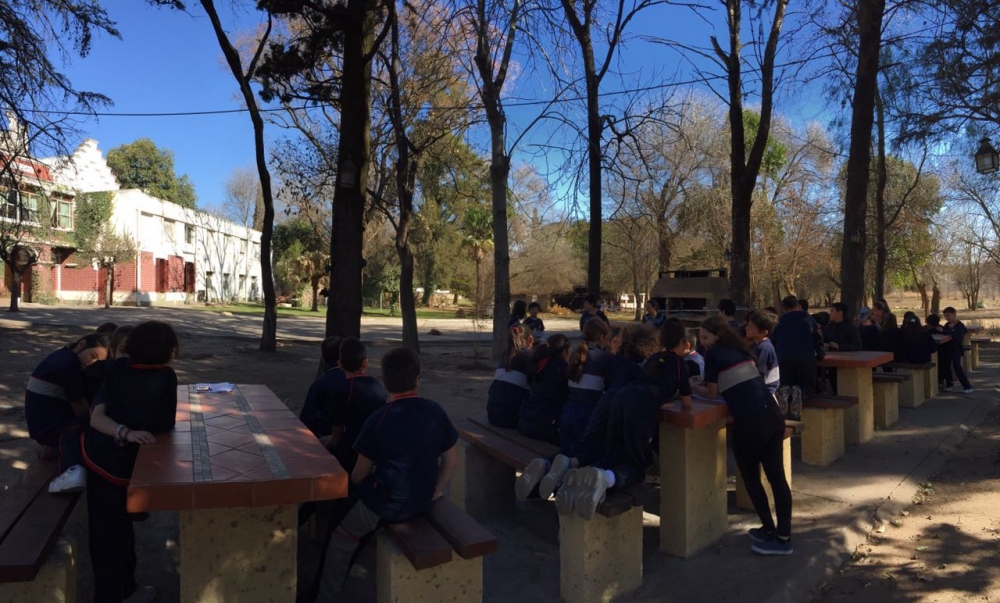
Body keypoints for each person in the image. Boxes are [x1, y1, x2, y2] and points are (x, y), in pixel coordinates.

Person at [315, 348, 459, 601]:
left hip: (385, 504)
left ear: (384, 380)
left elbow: (359, 474)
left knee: (340, 536)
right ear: (417, 379)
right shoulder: (435, 410)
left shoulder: (379, 419)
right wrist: (436, 490)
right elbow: (451, 459)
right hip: (422, 499)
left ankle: (326, 595)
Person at [552, 321, 692, 520]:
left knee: (613, 452)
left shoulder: (649, 360)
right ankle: (605, 479)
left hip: (620, 400)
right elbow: (686, 401)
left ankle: (577, 477)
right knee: (636, 467)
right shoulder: (679, 364)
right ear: (682, 342)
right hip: (640, 407)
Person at [82, 321, 178, 602]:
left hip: (99, 460)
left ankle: (125, 589)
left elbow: (96, 410)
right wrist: (131, 430)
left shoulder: (115, 368)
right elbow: (165, 423)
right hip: (122, 468)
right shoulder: (166, 377)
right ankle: (117, 595)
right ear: (170, 352)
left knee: (107, 535)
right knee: (115, 537)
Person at [691, 316, 793, 556]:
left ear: (717, 336)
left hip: (750, 421)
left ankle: (771, 531)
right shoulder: (742, 351)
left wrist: (690, 385)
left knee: (750, 477)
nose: (703, 342)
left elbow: (712, 393)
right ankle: (782, 535)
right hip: (773, 416)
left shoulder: (713, 354)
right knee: (777, 478)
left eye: (705, 337)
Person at [26, 332, 110, 494]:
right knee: (95, 428)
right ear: (82, 344)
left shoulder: (62, 355)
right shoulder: (68, 364)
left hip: (44, 424)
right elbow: (79, 404)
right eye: (93, 356)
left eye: (98, 361)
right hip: (49, 428)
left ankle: (55, 450)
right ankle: (70, 470)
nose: (93, 363)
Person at [326, 338, 388, 473]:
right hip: (376, 450)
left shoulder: (340, 391)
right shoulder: (377, 386)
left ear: (340, 364)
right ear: (365, 363)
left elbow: (336, 436)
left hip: (351, 452)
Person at [559, 318, 612, 457]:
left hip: (569, 410)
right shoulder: (603, 358)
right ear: (602, 337)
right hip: (589, 414)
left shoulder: (575, 354)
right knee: (585, 455)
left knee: (566, 453)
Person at [518, 335, 571, 444]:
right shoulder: (560, 368)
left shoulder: (540, 363)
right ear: (564, 351)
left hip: (525, 419)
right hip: (543, 426)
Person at [771, 295, 818, 397]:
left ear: (783, 309)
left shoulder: (780, 321)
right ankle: (802, 394)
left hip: (784, 357)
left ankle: (786, 396)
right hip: (805, 356)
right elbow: (817, 335)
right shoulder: (806, 318)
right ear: (798, 306)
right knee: (806, 385)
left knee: (786, 384)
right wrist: (820, 352)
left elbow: (773, 339)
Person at [299, 337, 346, 439]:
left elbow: (307, 418)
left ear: (324, 359)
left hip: (325, 436)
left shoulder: (320, 384)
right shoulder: (353, 380)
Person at [487, 326, 533, 429]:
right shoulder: (529, 357)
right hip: (512, 419)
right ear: (530, 340)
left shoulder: (505, 356)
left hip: (492, 414)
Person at [746, 310, 780, 394]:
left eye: (752, 326)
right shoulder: (757, 345)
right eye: (748, 324)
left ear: (764, 332)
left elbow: (759, 373)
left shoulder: (763, 348)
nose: (747, 328)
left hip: (766, 389)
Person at [942, 307, 973, 393]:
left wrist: (948, 333)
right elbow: (943, 332)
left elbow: (957, 335)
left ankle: (967, 386)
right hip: (947, 348)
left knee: (957, 367)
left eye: (948, 315)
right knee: (946, 367)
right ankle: (949, 385)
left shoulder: (960, 326)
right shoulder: (946, 325)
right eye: (945, 316)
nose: (947, 317)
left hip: (956, 349)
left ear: (954, 314)